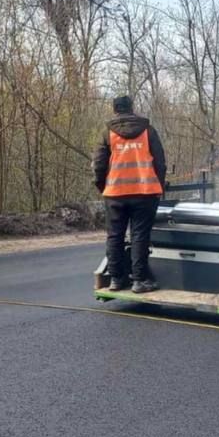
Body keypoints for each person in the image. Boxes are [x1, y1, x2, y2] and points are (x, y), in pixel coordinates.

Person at [92, 95, 167, 294]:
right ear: (132, 107)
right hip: (144, 192)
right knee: (139, 235)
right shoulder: (147, 131)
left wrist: (103, 187)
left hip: (115, 193)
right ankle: (139, 281)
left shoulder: (108, 134)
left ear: (115, 110)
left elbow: (99, 164)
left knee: (114, 235)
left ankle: (116, 280)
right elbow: (160, 162)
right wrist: (159, 186)